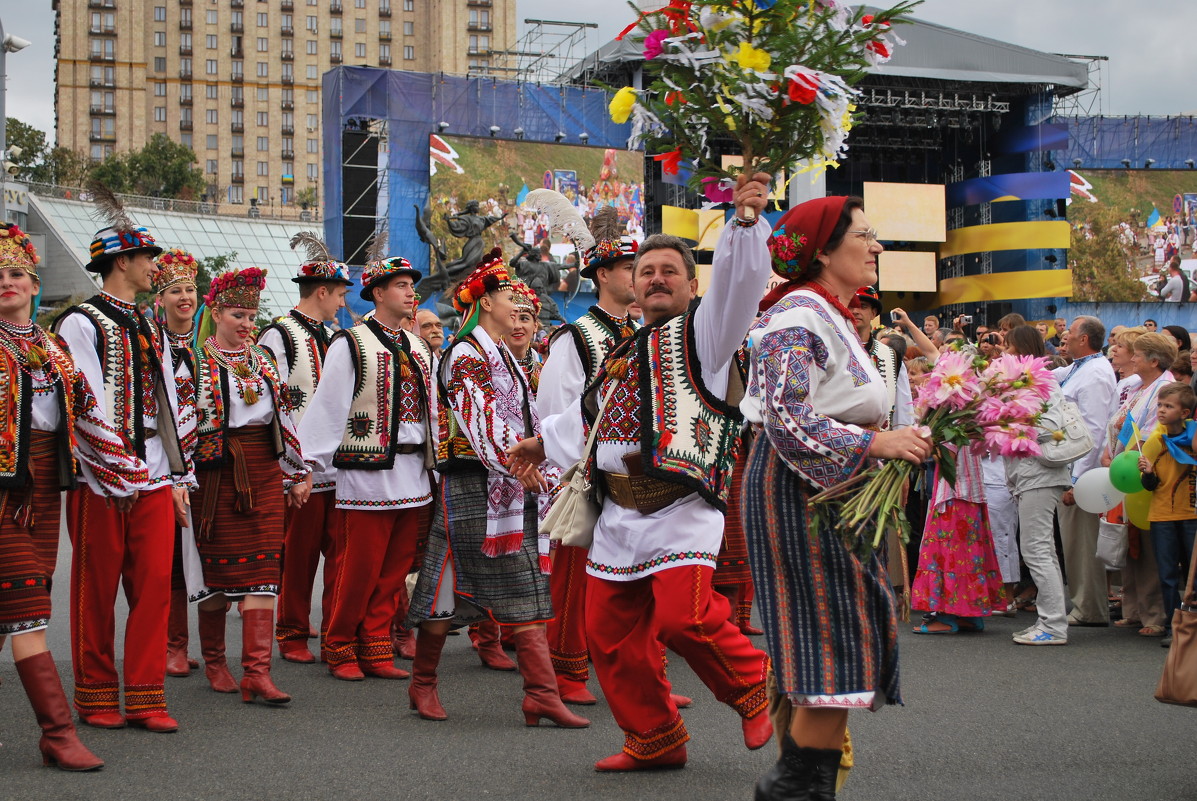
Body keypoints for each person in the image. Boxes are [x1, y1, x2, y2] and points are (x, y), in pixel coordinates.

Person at [514, 174, 776, 771]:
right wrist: (537, 443)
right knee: (609, 635)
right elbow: (592, 420)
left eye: (669, 271)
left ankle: (756, 687)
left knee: (685, 618)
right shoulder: (623, 348)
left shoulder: (707, 334)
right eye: (647, 271)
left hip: (679, 508)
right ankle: (655, 739)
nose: (656, 278)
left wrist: (742, 226)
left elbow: (740, 290)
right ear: (631, 284)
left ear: (690, 284)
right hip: (618, 514)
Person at [733, 195, 932, 797]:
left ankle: (805, 784)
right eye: (865, 235)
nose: (876, 247)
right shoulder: (797, 315)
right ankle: (797, 788)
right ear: (823, 249)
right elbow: (786, 416)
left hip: (829, 491)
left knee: (841, 635)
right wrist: (877, 446)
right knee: (828, 636)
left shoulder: (830, 315)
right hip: (802, 492)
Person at [406, 249, 587, 730]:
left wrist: (534, 461)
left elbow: (523, 418)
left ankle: (541, 694)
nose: (519, 309)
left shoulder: (507, 355)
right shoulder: (463, 353)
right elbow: (482, 416)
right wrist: (520, 461)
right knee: (445, 585)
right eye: (510, 298)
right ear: (486, 303)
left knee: (522, 579)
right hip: (471, 481)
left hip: (507, 481)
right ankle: (423, 682)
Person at [0, 224, 149, 770]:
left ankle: (56, 734)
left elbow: (88, 413)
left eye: (15, 273)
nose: (6, 283)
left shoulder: (51, 347)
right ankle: (58, 734)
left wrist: (132, 471)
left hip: (40, 486)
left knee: (11, 611)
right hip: (2, 492)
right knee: (30, 613)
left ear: (34, 282)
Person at [52, 187, 192, 732]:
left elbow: (167, 400)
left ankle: (145, 694)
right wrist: (123, 466)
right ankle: (93, 693)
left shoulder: (150, 324)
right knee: (96, 588)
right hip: (100, 479)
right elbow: (84, 402)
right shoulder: (80, 322)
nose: (155, 266)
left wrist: (177, 472)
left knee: (155, 586)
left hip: (153, 475)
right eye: (149, 258)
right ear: (124, 262)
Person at [296, 254, 436, 680]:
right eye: (401, 285)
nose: (411, 292)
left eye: (412, 286)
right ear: (377, 293)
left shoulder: (417, 346)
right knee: (359, 567)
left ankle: (376, 645)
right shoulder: (351, 342)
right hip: (367, 471)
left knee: (395, 568)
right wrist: (307, 466)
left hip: (413, 471)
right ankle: (339, 645)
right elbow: (328, 406)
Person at [186, 267, 310, 703]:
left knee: (263, 574)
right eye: (237, 314)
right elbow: (183, 428)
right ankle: (216, 662)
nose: (246, 323)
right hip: (215, 476)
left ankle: (257, 673)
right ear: (215, 312)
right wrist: (180, 479)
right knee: (217, 576)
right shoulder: (195, 363)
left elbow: (285, 418)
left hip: (262, 469)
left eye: (251, 315)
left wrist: (297, 471)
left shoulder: (262, 360)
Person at [535, 204, 639, 706]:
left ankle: (637, 668)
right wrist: (577, 466)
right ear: (602, 275)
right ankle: (565, 670)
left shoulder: (642, 335)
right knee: (575, 575)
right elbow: (555, 409)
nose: (639, 278)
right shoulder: (576, 336)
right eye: (628, 269)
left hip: (639, 473)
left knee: (637, 575)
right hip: (588, 471)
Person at [259, 239, 352, 665]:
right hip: (302, 466)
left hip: (339, 465)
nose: (342, 302)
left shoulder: (338, 337)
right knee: (297, 555)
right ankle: (292, 630)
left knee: (340, 553)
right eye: (340, 294)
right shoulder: (279, 334)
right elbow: (273, 402)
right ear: (322, 291)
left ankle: (335, 628)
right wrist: (293, 466)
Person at [1002, 326, 1074, 645]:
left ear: (1021, 349)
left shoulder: (1041, 380)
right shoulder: (1024, 382)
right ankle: (1050, 620)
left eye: (1007, 345)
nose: (1002, 351)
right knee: (1039, 548)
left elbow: (1048, 427)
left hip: (1040, 474)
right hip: (1032, 475)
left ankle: (1054, 625)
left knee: (1037, 549)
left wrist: (1009, 419)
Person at [1102, 332, 1176, 638]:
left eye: (1139, 355)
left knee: (1146, 548)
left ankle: (1154, 613)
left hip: (1144, 472)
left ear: (1154, 361)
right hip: (1124, 469)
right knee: (1129, 542)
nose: (1132, 358)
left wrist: (1124, 455)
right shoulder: (1139, 386)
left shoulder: (1165, 387)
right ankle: (1132, 608)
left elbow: (1152, 432)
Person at [154, 248, 202, 678]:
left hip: (210, 460)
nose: (184, 297)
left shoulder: (210, 343)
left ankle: (218, 649)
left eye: (189, 289)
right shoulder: (152, 345)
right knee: (170, 558)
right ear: (161, 299)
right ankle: (172, 645)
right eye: (175, 291)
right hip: (169, 461)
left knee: (206, 553)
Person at [1055, 316, 1118, 627]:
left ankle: (1090, 607)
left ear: (1085, 340)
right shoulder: (1082, 366)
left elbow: (1092, 430)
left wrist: (1076, 480)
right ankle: (1084, 603)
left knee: (1082, 542)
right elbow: (1054, 375)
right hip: (1068, 464)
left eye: (1070, 334)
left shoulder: (1095, 374)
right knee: (1073, 541)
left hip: (1080, 470)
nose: (1064, 339)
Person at [1138, 382, 1197, 648]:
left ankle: (1192, 624)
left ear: (1185, 413)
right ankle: (1174, 626)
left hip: (1191, 514)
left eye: (1168, 406)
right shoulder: (1155, 441)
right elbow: (1149, 486)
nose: (1161, 410)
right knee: (1167, 573)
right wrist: (1147, 473)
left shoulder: (1195, 438)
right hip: (1162, 515)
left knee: (1193, 574)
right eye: (1160, 405)